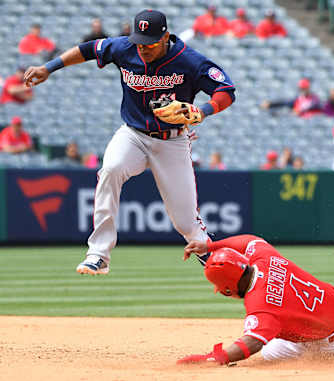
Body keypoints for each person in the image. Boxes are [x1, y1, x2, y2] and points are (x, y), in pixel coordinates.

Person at [24, 9, 236, 275]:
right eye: (139, 41)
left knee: (185, 220)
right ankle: (99, 253)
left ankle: (211, 255)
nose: (143, 48)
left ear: (166, 37)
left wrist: (203, 111)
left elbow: (226, 90)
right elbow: (88, 49)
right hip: (133, 134)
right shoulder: (124, 47)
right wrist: (48, 68)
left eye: (149, 43)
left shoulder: (189, 61)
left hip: (173, 141)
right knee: (111, 169)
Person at [177, 235, 334, 364]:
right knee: (277, 336)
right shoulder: (263, 257)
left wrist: (215, 358)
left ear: (228, 288)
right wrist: (210, 246)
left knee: (269, 353)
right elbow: (249, 240)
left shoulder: (260, 305)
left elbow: (251, 343)